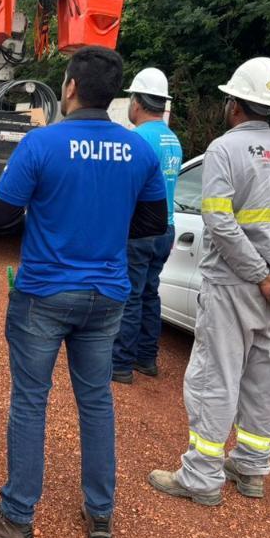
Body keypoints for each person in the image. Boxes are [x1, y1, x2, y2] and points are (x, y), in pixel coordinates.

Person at [0, 46, 168, 538]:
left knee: (31, 401)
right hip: (107, 296)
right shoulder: (139, 151)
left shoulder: (41, 145)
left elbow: (0, 219)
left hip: (44, 292)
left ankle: (17, 517)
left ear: (70, 87)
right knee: (96, 401)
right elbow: (150, 226)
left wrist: (49, 213)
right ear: (116, 97)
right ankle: (100, 512)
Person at [148, 57, 270, 506]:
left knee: (216, 377)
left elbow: (220, 222)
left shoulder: (224, 151)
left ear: (234, 105)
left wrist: (263, 275)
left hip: (232, 284)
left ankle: (202, 477)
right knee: (264, 378)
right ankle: (250, 469)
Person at [112, 68, 183, 383]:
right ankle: (146, 358)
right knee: (150, 294)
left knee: (130, 295)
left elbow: (125, 190)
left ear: (137, 101)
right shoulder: (173, 139)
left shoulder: (136, 139)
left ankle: (121, 365)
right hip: (165, 229)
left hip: (139, 229)